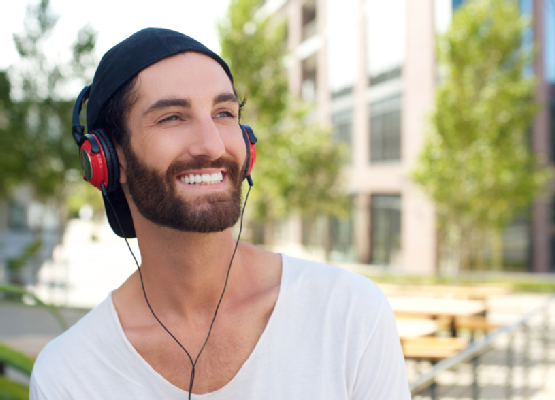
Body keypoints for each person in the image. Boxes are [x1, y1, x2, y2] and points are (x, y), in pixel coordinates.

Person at [30, 28, 410, 399]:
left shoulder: (349, 315)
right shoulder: (68, 375)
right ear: (110, 160)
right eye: (172, 117)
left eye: (224, 113)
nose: (212, 145)